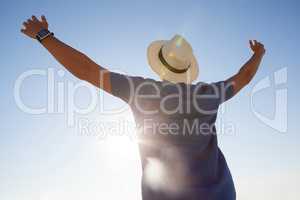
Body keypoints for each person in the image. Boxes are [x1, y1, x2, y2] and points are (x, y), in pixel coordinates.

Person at [21, 15, 265, 200]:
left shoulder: (142, 91)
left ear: (159, 65)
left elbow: (87, 71)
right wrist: (259, 53)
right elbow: (244, 76)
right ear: (187, 68)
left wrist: (44, 36)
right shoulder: (209, 94)